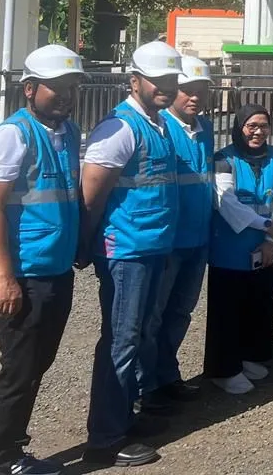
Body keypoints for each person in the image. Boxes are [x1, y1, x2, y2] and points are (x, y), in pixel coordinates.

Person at [80, 42, 183, 468]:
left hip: (152, 247)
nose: (166, 86)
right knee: (121, 342)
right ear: (134, 80)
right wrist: (85, 246)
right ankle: (104, 437)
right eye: (157, 79)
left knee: (138, 336)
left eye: (171, 80)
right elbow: (91, 197)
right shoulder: (120, 128)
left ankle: (123, 415)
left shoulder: (156, 123)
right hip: (127, 252)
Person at [0, 45, 84, 475]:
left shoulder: (69, 131)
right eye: (55, 88)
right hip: (21, 273)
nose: (64, 95)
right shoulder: (13, 134)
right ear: (29, 89)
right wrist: (4, 277)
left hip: (55, 269)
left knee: (37, 364)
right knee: (19, 369)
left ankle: (6, 442)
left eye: (71, 87)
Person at [138, 56, 214, 415]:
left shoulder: (207, 128)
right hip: (169, 241)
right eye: (188, 91)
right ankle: (145, 385)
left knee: (180, 312)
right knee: (152, 316)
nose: (194, 98)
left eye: (201, 91)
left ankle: (167, 375)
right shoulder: (160, 126)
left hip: (198, 238)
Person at [204, 105, 273, 395]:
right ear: (239, 127)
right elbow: (226, 203)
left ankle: (251, 356)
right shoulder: (223, 159)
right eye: (251, 125)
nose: (258, 131)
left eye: (264, 125)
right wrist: (266, 225)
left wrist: (270, 239)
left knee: (259, 303)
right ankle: (224, 369)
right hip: (230, 247)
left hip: (263, 244)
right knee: (228, 308)